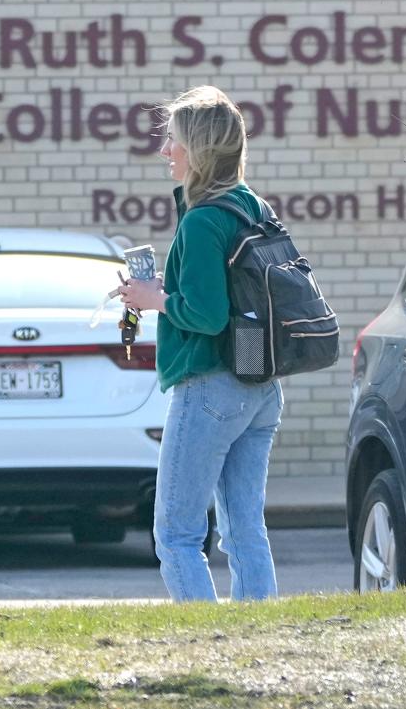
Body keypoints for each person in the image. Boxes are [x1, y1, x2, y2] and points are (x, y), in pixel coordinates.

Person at [118, 85, 283, 602]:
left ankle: (207, 645)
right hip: (259, 385)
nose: (165, 151)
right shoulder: (253, 207)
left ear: (199, 149)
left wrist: (153, 298)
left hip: (209, 388)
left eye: (173, 141)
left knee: (177, 534)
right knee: (243, 530)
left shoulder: (202, 220)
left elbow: (207, 316)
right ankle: (260, 637)